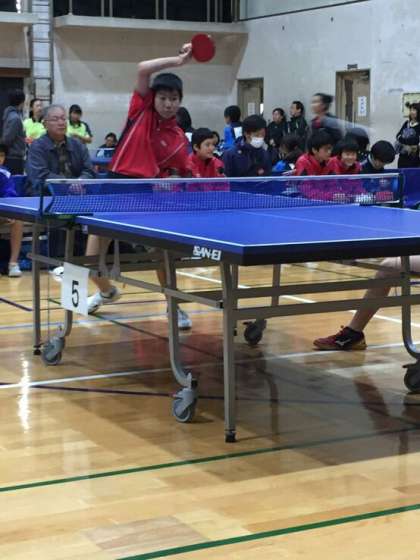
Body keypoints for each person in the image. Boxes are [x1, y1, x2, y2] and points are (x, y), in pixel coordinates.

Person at [91, 43, 195, 329]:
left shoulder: (178, 138)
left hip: (147, 193)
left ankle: (173, 306)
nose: (168, 104)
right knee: (89, 259)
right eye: (163, 98)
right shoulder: (140, 110)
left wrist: (171, 181)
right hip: (116, 185)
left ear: (180, 101)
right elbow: (142, 68)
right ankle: (106, 292)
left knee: (161, 254)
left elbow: (180, 173)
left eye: (174, 99)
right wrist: (179, 61)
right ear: (153, 98)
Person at [26, 104, 96, 190]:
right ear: (44, 124)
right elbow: (39, 176)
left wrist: (80, 182)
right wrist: (68, 184)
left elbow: (89, 170)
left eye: (63, 119)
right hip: (46, 194)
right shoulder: (37, 146)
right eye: (55, 119)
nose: (61, 123)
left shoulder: (78, 145)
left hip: (78, 192)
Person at [0, 143, 23, 277]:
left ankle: (13, 264)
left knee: (18, 219)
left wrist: (7, 212)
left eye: (2, 156)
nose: (0, 159)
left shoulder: (4, 173)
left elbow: (10, 195)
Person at [2, 89, 26, 175]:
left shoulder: (11, 115)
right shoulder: (15, 118)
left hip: (12, 157)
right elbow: (7, 139)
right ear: (21, 102)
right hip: (13, 158)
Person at [395, 102, 420, 168]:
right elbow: (398, 136)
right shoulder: (406, 123)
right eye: (410, 110)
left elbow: (417, 140)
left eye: (414, 110)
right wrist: (406, 144)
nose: (411, 112)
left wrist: (405, 141)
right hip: (402, 157)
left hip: (414, 158)